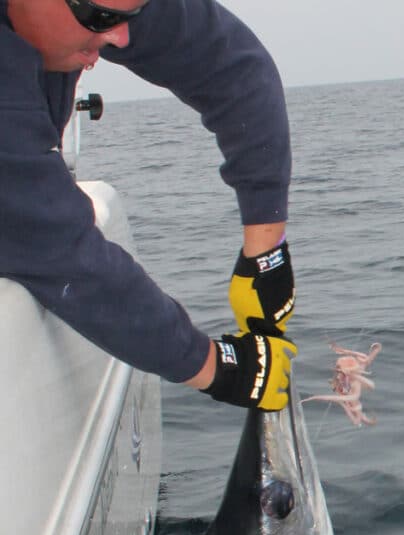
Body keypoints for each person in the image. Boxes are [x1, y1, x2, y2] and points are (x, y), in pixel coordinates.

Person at [0, 0, 297, 410]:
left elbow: (236, 69)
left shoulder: (99, 6)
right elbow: (51, 245)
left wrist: (265, 252)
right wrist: (221, 368)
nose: (119, 37)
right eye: (102, 18)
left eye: (132, 15)